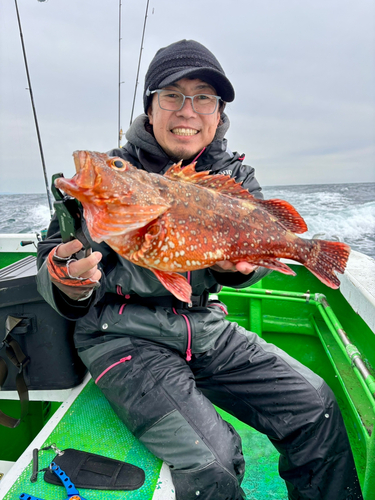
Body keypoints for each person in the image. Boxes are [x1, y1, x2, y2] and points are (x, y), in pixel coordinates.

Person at [37, 39, 363, 500]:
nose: (187, 110)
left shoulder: (234, 178)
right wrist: (65, 279)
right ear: (150, 109)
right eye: (171, 95)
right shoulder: (110, 178)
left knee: (316, 405)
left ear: (218, 113)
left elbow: (252, 255)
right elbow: (51, 266)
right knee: (211, 460)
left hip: (205, 327)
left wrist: (237, 271)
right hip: (121, 337)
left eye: (203, 97)